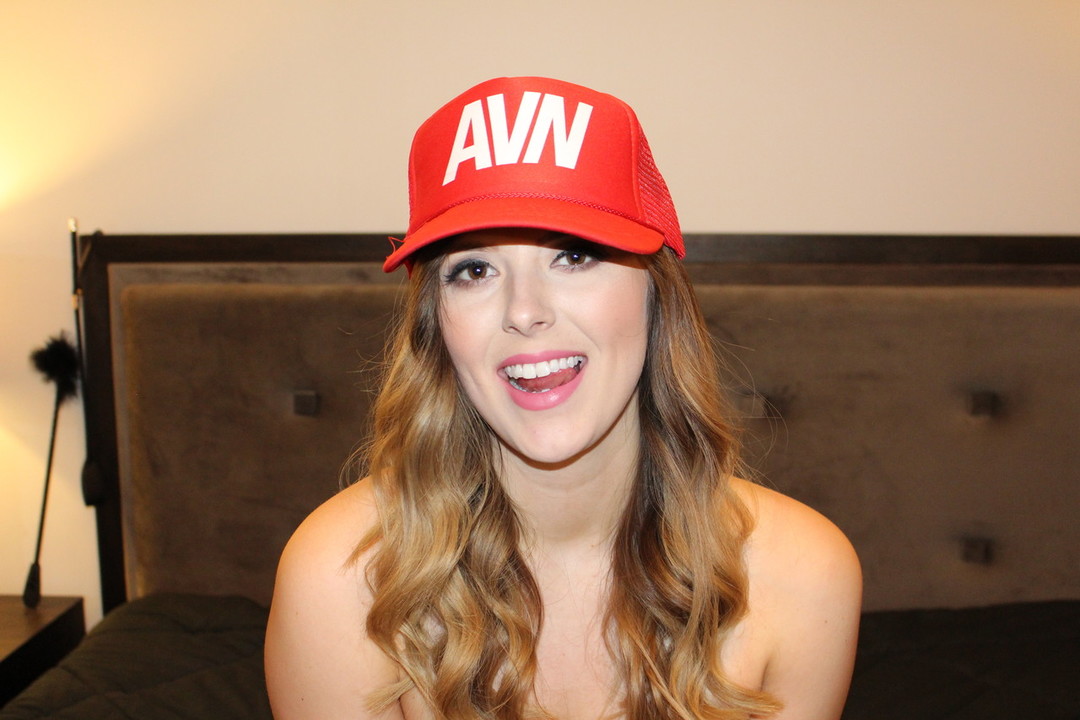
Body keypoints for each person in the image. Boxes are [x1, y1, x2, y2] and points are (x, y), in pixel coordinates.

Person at [265, 76, 862, 720]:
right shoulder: (340, 577)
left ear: (657, 294)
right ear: (437, 325)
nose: (524, 311)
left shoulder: (803, 573)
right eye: (475, 270)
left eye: (574, 256)